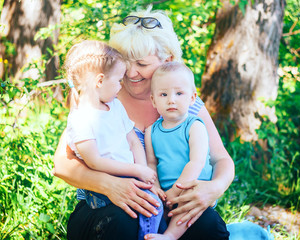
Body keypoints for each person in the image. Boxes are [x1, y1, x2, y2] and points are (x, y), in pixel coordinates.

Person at [53, 6, 272, 240]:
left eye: (141, 64)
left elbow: (220, 159)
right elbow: (62, 164)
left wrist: (213, 189)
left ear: (167, 59)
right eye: (125, 61)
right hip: (108, 210)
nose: (130, 71)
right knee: (124, 220)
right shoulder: (103, 99)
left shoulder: (185, 102)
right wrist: (109, 185)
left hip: (168, 209)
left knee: (208, 224)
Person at [63, 40, 163, 240]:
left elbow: (134, 141)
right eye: (118, 80)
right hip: (103, 189)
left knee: (154, 205)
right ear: (100, 81)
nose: (121, 85)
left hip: (130, 177)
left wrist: (143, 174)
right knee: (126, 218)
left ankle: (151, 234)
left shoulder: (115, 107)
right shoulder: (81, 118)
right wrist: (135, 170)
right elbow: (94, 161)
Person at [144, 62, 229, 240]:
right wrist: (156, 189)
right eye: (163, 94)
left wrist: (174, 192)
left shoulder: (194, 126)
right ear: (153, 100)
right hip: (165, 193)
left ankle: (170, 236)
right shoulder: (151, 131)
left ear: (192, 98)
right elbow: (151, 163)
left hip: (192, 187)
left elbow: (196, 162)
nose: (171, 100)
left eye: (179, 93)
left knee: (188, 204)